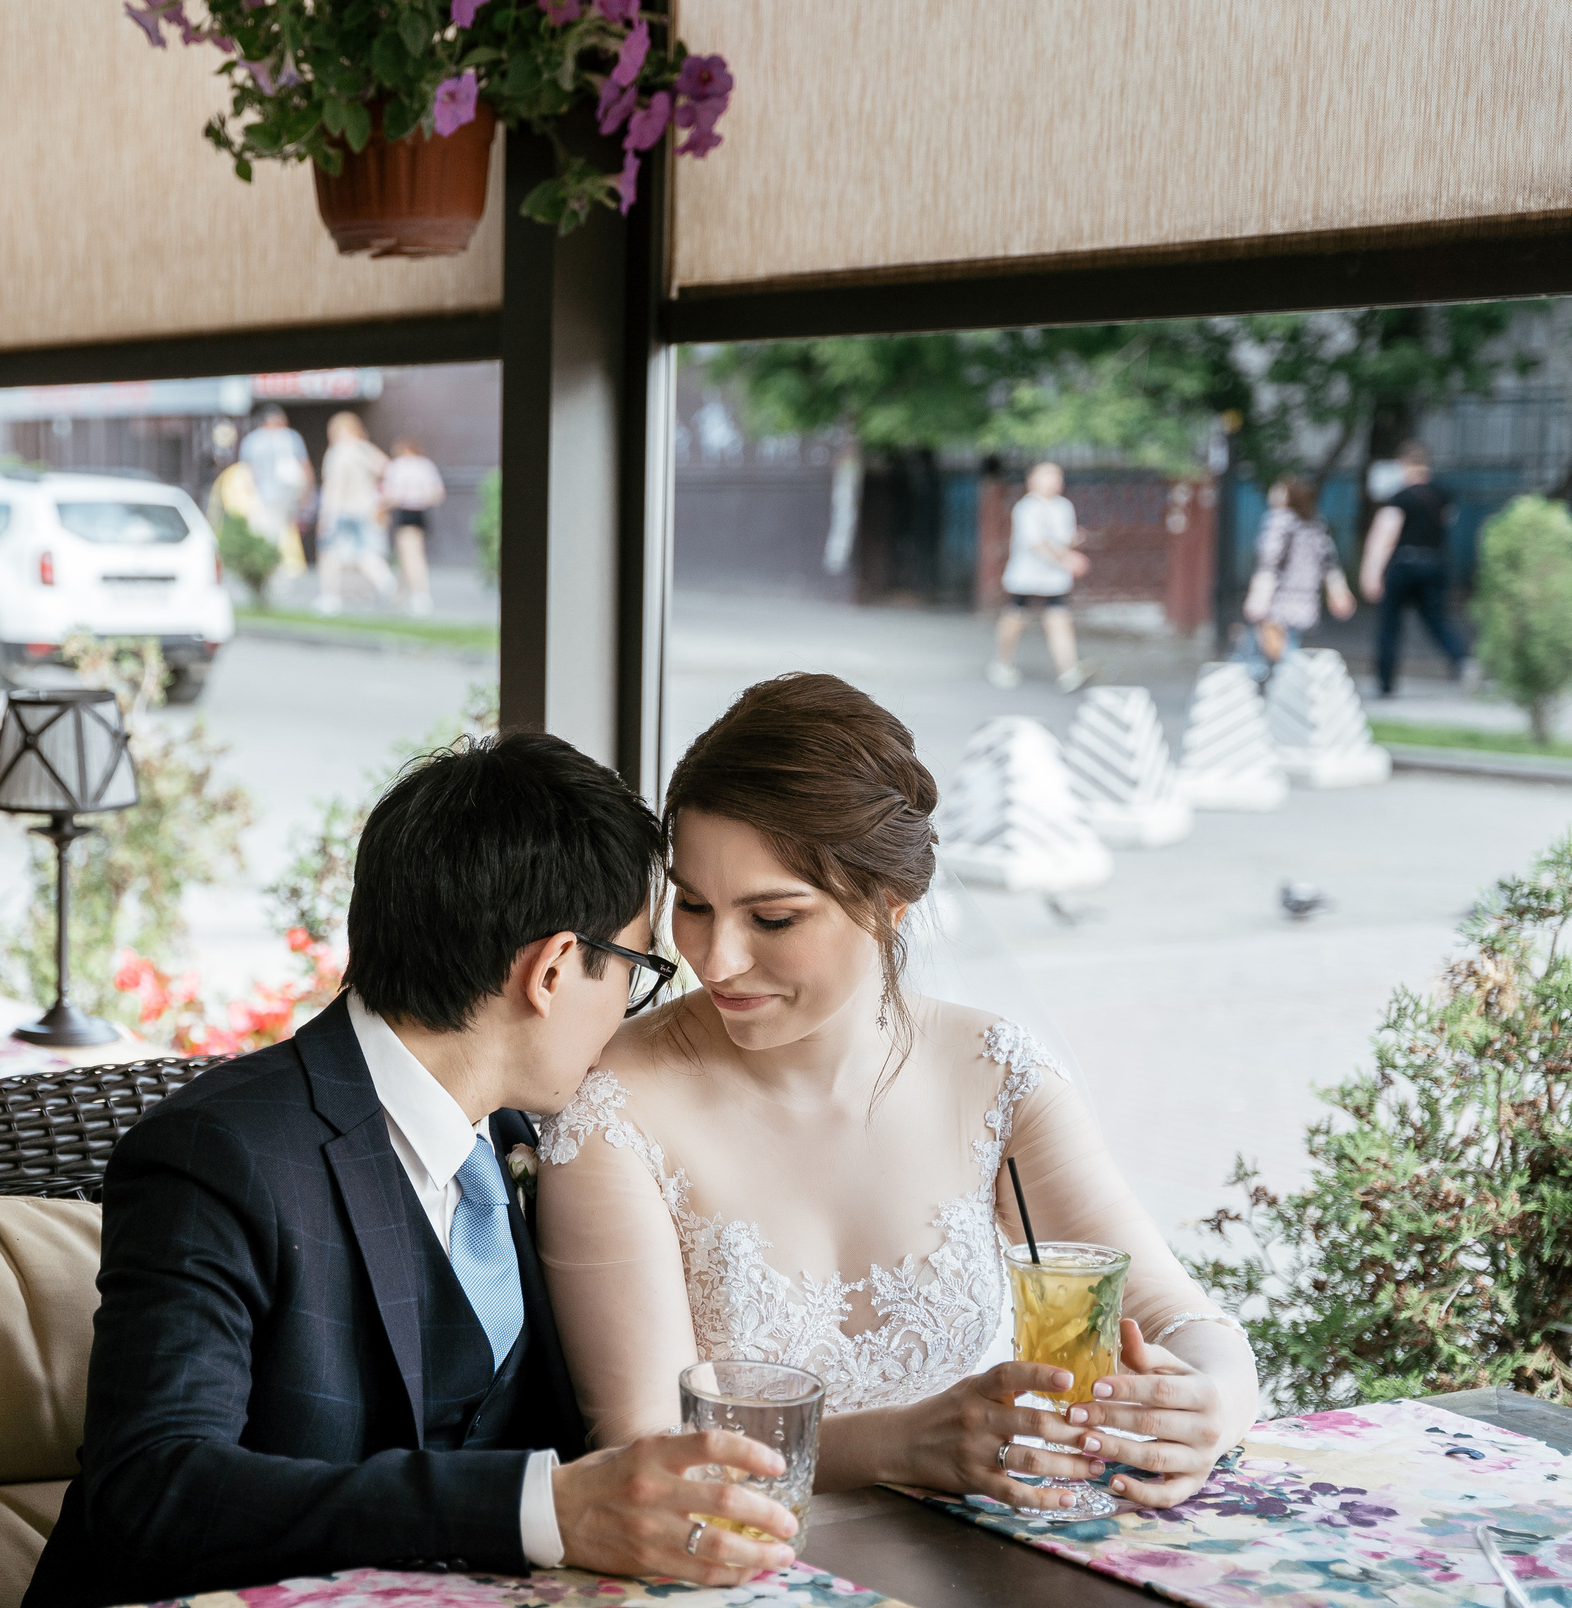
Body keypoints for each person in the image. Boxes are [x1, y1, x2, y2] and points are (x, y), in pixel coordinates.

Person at [22, 733, 802, 1608]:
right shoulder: (216, 1154)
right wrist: (538, 1509)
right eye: (635, 971)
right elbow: (153, 1489)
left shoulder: (530, 1142)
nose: (629, 1012)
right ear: (550, 971)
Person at [535, 673, 1259, 1514]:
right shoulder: (616, 1111)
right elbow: (644, 1452)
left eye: (772, 919)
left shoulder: (997, 1077)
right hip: (732, 1580)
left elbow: (1176, 1316)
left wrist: (1211, 1401)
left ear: (887, 906)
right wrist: (906, 1444)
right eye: (694, 906)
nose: (717, 958)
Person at [1359, 441, 1472, 697]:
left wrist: (1371, 572)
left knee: (1390, 625)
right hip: (1435, 563)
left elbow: (1385, 535)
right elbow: (1446, 523)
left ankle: (1385, 682)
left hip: (1404, 565)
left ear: (1404, 464)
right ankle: (1462, 661)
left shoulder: (1400, 497)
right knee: (1436, 619)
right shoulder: (1443, 494)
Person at [988, 463, 1098, 693]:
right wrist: (1068, 559)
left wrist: (1074, 542)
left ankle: (1067, 670)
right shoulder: (1026, 508)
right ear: (1032, 480)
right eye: (1048, 476)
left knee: (1059, 618)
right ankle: (1001, 663)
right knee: (1016, 617)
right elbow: (1037, 543)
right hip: (1026, 573)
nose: (1054, 481)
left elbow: (1064, 538)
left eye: (1057, 476)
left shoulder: (1063, 506)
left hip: (1054, 576)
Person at [1237, 476, 1355, 684]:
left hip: (1278, 601)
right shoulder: (1315, 523)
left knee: (1274, 655)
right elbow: (1329, 563)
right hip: (1306, 600)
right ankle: (1289, 688)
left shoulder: (1279, 521)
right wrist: (1339, 592)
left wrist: (1258, 598)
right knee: (1288, 647)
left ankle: (1286, 691)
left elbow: (1269, 564)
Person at [315, 411, 396, 614]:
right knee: (364, 552)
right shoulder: (364, 449)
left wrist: (326, 516)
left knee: (330, 555)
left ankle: (329, 599)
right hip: (365, 510)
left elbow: (333, 487)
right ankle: (386, 581)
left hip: (341, 511)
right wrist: (379, 497)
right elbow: (387, 469)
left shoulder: (337, 452)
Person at [237, 405, 313, 584]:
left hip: (281, 496)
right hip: (267, 496)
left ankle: (271, 571)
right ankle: (270, 572)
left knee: (273, 534)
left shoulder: (285, 438)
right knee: (271, 534)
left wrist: (305, 494)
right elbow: (248, 472)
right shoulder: (261, 440)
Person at [381, 440, 448, 616]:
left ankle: (420, 595)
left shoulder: (397, 466)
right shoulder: (425, 465)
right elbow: (437, 493)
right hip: (421, 512)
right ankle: (399, 595)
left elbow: (392, 494)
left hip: (405, 512)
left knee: (411, 554)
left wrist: (381, 507)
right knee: (407, 553)